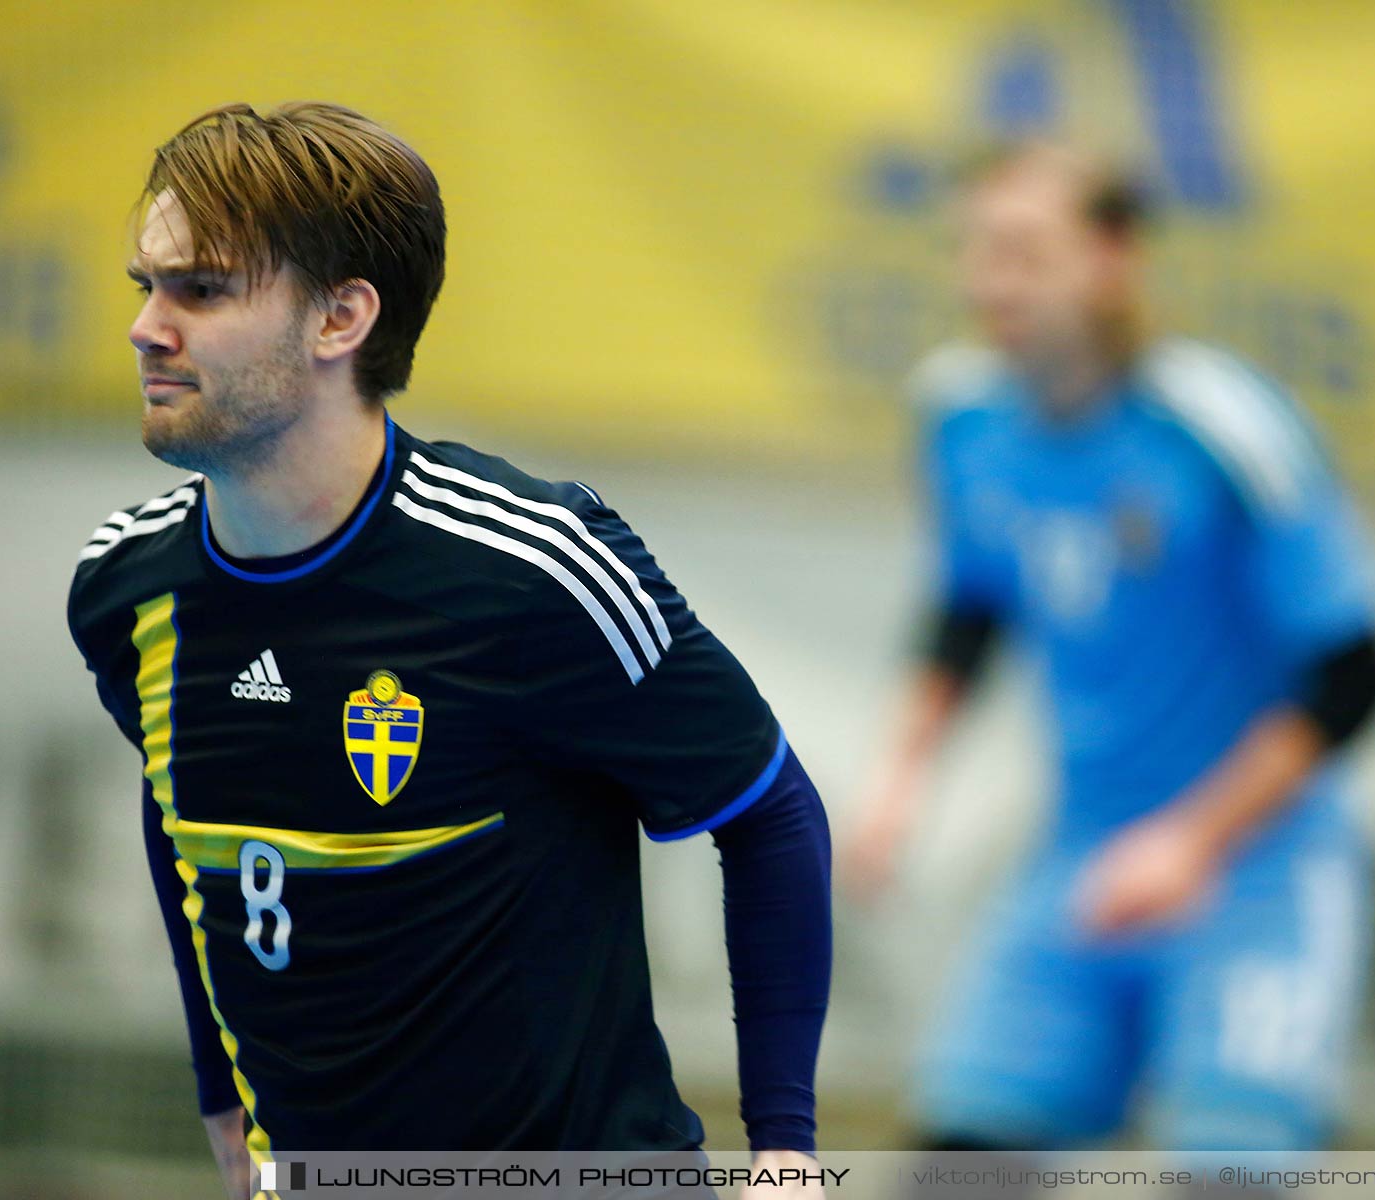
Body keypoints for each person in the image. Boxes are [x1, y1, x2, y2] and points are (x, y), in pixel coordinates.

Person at [66, 102, 830, 1198]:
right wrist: (219, 1095)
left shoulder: (533, 566)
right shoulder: (122, 590)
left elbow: (767, 811)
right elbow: (178, 808)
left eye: (203, 288)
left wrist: (785, 1149)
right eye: (146, 284)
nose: (148, 326)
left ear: (341, 320)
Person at [845, 143, 1375, 1153]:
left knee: (1228, 1166)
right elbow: (971, 609)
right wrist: (899, 779)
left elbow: (1357, 675)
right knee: (961, 1156)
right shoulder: (959, 419)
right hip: (1081, 863)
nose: (985, 281)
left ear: (1110, 258)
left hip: (1255, 872)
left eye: (1019, 252)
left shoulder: (1221, 430)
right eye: (972, 250)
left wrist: (1190, 841)